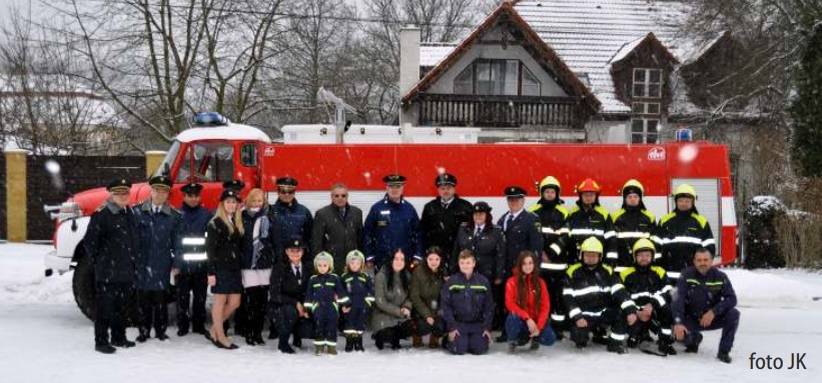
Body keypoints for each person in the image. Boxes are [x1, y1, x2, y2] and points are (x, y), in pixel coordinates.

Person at [83, 177, 140, 354]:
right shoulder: (102, 214)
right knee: (105, 308)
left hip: (126, 270)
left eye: (126, 193)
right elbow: (90, 243)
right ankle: (101, 341)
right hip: (108, 271)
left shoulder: (128, 212)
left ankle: (118, 337)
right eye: (119, 193)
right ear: (111, 195)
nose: (123, 196)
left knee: (122, 308)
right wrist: (101, 262)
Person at [564, 237, 637, 354]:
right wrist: (578, 317)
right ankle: (586, 335)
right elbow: (568, 298)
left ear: (600, 256)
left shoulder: (607, 271)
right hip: (583, 315)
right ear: (581, 255)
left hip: (603, 312)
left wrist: (630, 310)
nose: (591, 258)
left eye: (594, 255)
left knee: (621, 314)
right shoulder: (572, 271)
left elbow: (620, 291)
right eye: (587, 255)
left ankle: (614, 343)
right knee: (579, 337)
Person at [134, 175, 182, 342]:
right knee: (143, 300)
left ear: (168, 194)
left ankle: (161, 331)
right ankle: (143, 331)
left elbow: (178, 242)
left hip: (163, 263)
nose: (160, 195)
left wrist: (177, 263)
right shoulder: (137, 212)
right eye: (157, 190)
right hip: (142, 262)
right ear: (151, 191)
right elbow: (132, 241)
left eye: (164, 192)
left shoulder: (175, 216)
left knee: (161, 299)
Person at [673, 247, 739, 363]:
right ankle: (693, 340)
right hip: (691, 319)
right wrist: (678, 323)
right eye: (699, 260)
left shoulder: (720, 276)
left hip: (711, 318)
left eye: (705, 260)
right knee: (676, 331)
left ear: (712, 260)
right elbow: (678, 299)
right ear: (694, 261)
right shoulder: (686, 275)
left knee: (734, 314)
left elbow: (732, 299)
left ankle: (723, 352)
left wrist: (714, 311)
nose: (702, 263)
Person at [496, 186, 542, 341]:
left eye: (517, 199)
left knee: (522, 301)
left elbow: (536, 248)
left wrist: (533, 270)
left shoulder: (531, 219)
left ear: (523, 200)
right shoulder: (502, 219)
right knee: (507, 301)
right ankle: (507, 331)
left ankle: (524, 332)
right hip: (506, 269)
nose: (513, 202)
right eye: (510, 199)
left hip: (523, 270)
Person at [453, 201, 505, 332]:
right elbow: (456, 251)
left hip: (486, 273)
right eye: (475, 214)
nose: (478, 217)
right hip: (465, 272)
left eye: (481, 214)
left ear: (487, 215)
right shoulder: (463, 228)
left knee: (485, 300)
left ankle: (486, 326)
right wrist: (452, 270)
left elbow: (500, 255)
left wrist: (499, 275)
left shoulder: (496, 231)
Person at [528, 176, 570, 336]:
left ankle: (558, 329)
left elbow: (566, 235)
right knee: (540, 298)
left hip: (558, 264)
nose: (550, 194)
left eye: (553, 191)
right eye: (547, 191)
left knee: (558, 298)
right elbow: (532, 235)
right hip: (540, 265)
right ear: (542, 193)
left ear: (557, 194)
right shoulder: (534, 212)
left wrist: (551, 252)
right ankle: (542, 325)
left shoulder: (563, 212)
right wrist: (540, 253)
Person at [619, 238, 676, 355]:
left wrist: (652, 305)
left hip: (654, 311)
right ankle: (637, 334)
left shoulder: (659, 271)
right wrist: (636, 311)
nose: (644, 258)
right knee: (631, 329)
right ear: (634, 256)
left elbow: (669, 291)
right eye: (640, 255)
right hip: (634, 313)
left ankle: (664, 341)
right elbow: (622, 296)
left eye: (647, 255)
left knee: (667, 310)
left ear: (652, 256)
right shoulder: (625, 274)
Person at [239, 188, 280, 346]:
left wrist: (276, 260)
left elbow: (275, 241)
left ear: (264, 202)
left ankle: (258, 333)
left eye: (260, 200)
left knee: (263, 301)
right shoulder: (241, 216)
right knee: (250, 301)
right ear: (248, 201)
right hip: (248, 265)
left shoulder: (269, 217)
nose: (257, 203)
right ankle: (250, 332)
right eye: (254, 200)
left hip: (265, 264)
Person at [205, 188, 244, 350]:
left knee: (235, 302)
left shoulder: (237, 221)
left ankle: (214, 329)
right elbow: (210, 250)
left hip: (234, 268)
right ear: (222, 204)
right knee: (219, 302)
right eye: (228, 202)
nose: (231, 204)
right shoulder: (214, 223)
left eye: (234, 202)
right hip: (220, 268)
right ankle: (220, 337)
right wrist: (211, 272)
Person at [173, 182, 211, 337]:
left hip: (201, 265)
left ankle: (199, 325)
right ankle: (182, 326)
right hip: (182, 266)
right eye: (190, 196)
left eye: (196, 196)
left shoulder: (206, 214)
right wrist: (176, 263)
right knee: (182, 298)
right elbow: (174, 241)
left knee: (200, 298)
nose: (194, 199)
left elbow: (210, 240)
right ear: (184, 196)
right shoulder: (176, 215)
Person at [363, 174, 423, 269]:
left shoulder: (409, 209)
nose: (394, 190)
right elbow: (367, 233)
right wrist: (369, 256)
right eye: (391, 186)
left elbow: (418, 234)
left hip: (405, 261)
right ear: (386, 188)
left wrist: (417, 255)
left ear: (403, 188)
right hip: (382, 261)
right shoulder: (377, 209)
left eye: (398, 186)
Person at [441, 250, 494, 355]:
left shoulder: (483, 282)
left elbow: (489, 306)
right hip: (458, 324)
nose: (465, 266)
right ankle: (449, 340)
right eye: (462, 263)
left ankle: (471, 340)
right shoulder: (452, 282)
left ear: (474, 263)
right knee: (459, 349)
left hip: (477, 325)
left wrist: (487, 327)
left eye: (468, 263)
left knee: (480, 349)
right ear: (459, 263)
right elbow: (445, 305)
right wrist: (452, 327)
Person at [659, 184, 716, 280]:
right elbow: (657, 247)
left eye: (687, 201)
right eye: (680, 200)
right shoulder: (665, 221)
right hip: (668, 276)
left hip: (694, 276)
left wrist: (702, 267)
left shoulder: (701, 222)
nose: (683, 203)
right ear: (676, 201)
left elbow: (709, 248)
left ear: (693, 202)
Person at [269, 238, 314, 354]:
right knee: (290, 312)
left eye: (298, 250)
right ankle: (283, 343)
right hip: (281, 306)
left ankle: (298, 335)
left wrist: (305, 307)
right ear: (286, 252)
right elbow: (274, 294)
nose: (295, 254)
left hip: (303, 304)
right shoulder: (279, 268)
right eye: (291, 251)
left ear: (303, 252)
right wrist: (295, 303)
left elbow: (312, 289)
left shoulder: (309, 268)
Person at [504, 251, 555, 352]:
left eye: (530, 263)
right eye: (524, 263)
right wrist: (527, 318)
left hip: (536, 321)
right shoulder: (512, 282)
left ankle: (535, 338)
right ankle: (514, 340)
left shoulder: (541, 282)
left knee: (550, 339)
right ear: (520, 265)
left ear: (534, 264)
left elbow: (545, 306)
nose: (528, 266)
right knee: (512, 319)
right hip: (521, 321)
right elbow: (510, 304)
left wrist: (539, 327)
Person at [558, 178, 617, 264]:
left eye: (591, 195)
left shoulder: (604, 215)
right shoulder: (572, 214)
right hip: (575, 263)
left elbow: (611, 240)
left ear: (596, 196)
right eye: (585, 195)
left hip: (598, 263)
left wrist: (610, 262)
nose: (588, 198)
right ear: (580, 196)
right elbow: (565, 238)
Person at [420, 173, 473, 266]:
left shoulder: (466, 207)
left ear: (454, 189)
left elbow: (471, 232)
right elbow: (423, 231)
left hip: (459, 255)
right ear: (438, 190)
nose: (445, 191)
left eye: (448, 188)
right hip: (435, 256)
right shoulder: (430, 207)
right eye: (442, 188)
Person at [311, 183, 363, 274]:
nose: (340, 198)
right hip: (331, 264)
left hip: (353, 263)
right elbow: (317, 242)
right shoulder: (322, 214)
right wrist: (320, 264)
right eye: (336, 196)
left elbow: (361, 239)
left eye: (343, 195)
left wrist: (362, 259)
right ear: (331, 196)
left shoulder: (357, 213)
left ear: (347, 196)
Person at [611, 179, 660, 273]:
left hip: (644, 265)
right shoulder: (615, 217)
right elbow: (612, 242)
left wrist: (654, 261)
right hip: (621, 266)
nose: (632, 199)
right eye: (629, 197)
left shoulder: (649, 217)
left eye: (635, 196)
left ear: (640, 198)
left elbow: (655, 241)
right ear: (625, 198)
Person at [304, 252, 349, 355]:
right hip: (318, 307)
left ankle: (331, 346)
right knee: (319, 326)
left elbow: (341, 292)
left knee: (331, 327)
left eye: (325, 265)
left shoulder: (335, 278)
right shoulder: (313, 279)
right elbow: (309, 295)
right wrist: (307, 309)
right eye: (319, 265)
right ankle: (319, 346)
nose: (322, 268)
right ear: (316, 266)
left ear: (330, 266)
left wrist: (346, 304)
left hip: (331, 307)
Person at [371, 249, 414, 350]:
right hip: (382, 315)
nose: (399, 262)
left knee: (413, 327)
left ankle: (396, 338)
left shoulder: (407, 276)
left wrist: (406, 307)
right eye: (396, 259)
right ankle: (380, 337)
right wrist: (398, 311)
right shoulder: (381, 276)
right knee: (387, 334)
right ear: (391, 260)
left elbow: (410, 297)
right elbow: (380, 302)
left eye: (402, 259)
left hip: (400, 315)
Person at [409, 247, 446, 349]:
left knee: (441, 325)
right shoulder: (418, 272)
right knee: (421, 325)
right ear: (426, 259)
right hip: (420, 309)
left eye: (437, 259)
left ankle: (434, 338)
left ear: (441, 260)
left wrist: (436, 314)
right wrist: (427, 315)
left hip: (436, 308)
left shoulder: (443, 272)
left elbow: (444, 296)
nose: (433, 262)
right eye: (430, 259)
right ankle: (417, 336)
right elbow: (414, 296)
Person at [272, 177, 313, 262]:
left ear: (294, 193)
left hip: (298, 259)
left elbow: (310, 237)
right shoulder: (270, 211)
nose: (287, 194)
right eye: (283, 191)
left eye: (290, 192)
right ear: (278, 192)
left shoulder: (304, 212)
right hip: (276, 260)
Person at [340, 250, 375, 352]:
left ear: (361, 264)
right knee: (349, 325)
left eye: (357, 263)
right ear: (348, 264)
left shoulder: (365, 277)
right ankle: (349, 342)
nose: (355, 265)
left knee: (359, 325)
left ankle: (359, 343)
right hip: (349, 307)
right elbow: (340, 291)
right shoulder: (344, 277)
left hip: (361, 306)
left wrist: (367, 304)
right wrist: (343, 304)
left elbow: (370, 291)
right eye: (352, 263)